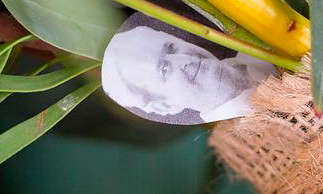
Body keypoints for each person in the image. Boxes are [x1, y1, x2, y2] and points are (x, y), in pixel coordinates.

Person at [102, 24, 274, 124]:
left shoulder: (265, 40)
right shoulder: (247, 140)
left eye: (172, 47)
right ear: (165, 106)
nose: (184, 58)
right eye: (164, 69)